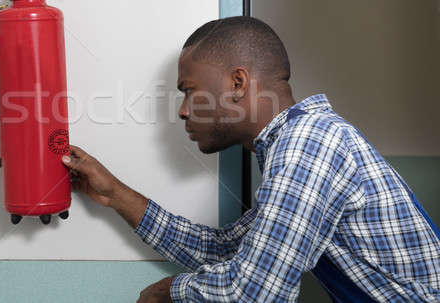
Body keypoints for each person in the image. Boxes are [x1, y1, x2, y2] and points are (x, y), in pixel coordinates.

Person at [61, 17, 440, 302]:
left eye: (189, 91)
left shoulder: (309, 145)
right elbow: (228, 250)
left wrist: (167, 292)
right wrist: (114, 193)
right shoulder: (296, 143)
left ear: (238, 83)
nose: (181, 111)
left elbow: (256, 293)